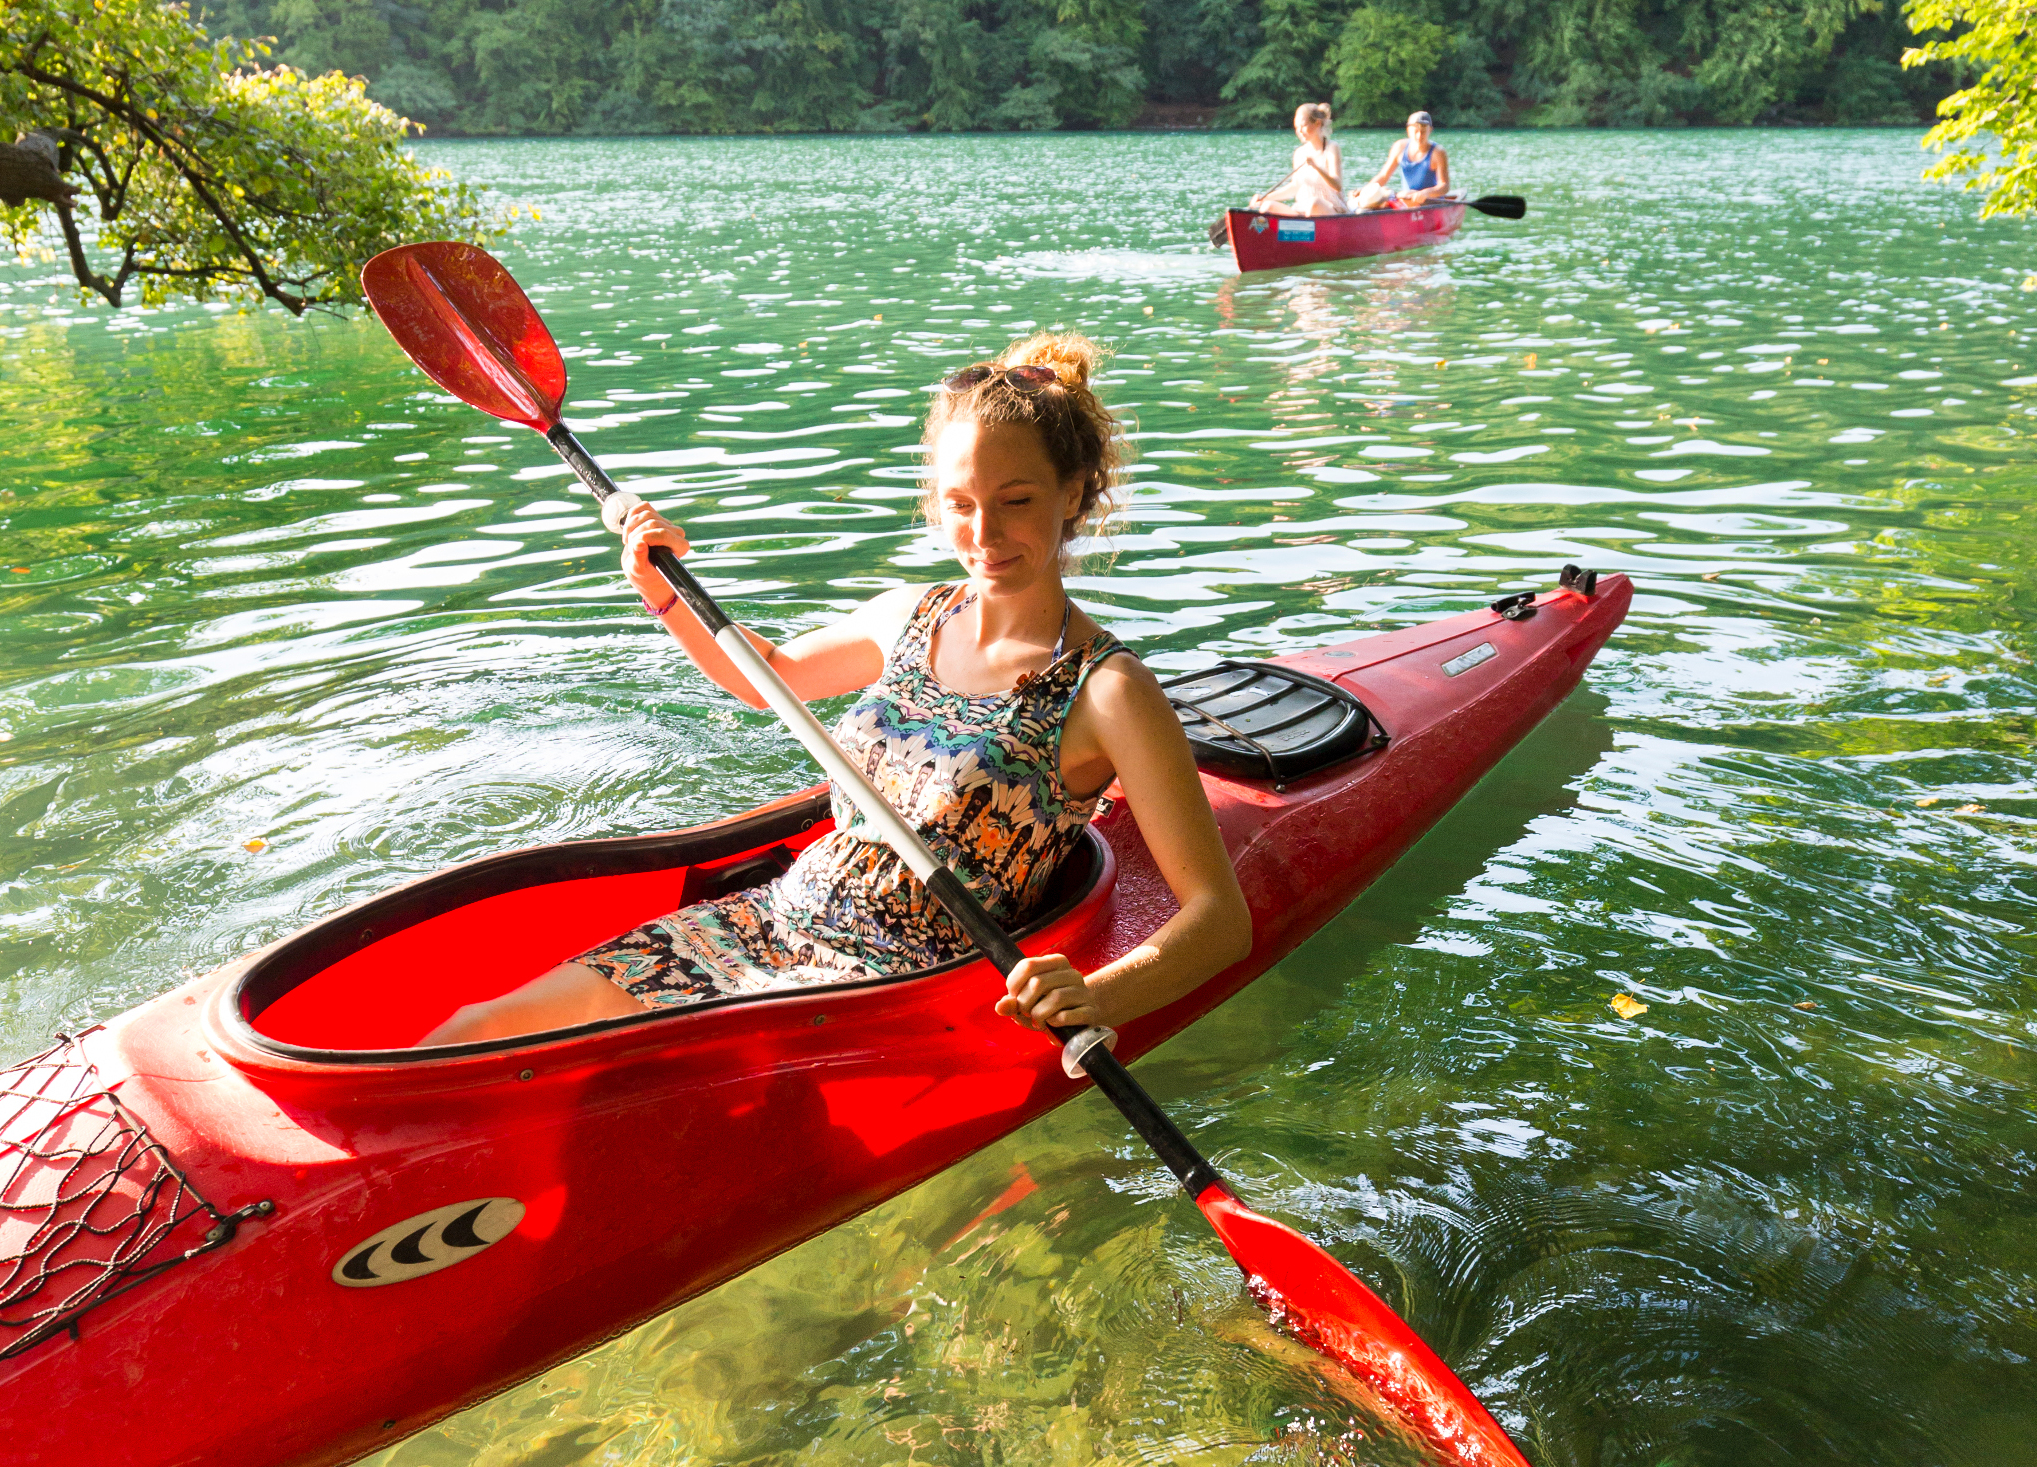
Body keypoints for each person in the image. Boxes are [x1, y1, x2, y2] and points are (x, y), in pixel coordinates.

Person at [421, 334, 1252, 1047]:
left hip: (881, 995)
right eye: (960, 504)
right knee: (474, 1027)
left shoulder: (1107, 691)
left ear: (1073, 495)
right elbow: (769, 679)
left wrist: (1095, 996)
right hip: (768, 920)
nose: (984, 533)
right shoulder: (910, 615)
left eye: (1016, 502)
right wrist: (663, 587)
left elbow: (1219, 920)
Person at [1253, 102, 1348, 217]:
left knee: (1314, 204)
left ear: (1317, 123)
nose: (1299, 131)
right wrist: (1265, 198)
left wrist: (1317, 167)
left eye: (1303, 126)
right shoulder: (1299, 153)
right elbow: (1295, 186)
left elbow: (1337, 185)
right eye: (1297, 128)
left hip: (1330, 209)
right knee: (1267, 207)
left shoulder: (1331, 147)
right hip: (1303, 211)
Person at [1353, 111, 1451, 210]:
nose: (1419, 136)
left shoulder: (1438, 152)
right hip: (1406, 198)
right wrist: (1365, 190)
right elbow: (1384, 176)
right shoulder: (1399, 147)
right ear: (1408, 130)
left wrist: (1425, 193)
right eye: (1415, 131)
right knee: (1384, 191)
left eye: (1423, 132)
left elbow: (1444, 186)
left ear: (1430, 130)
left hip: (1430, 201)